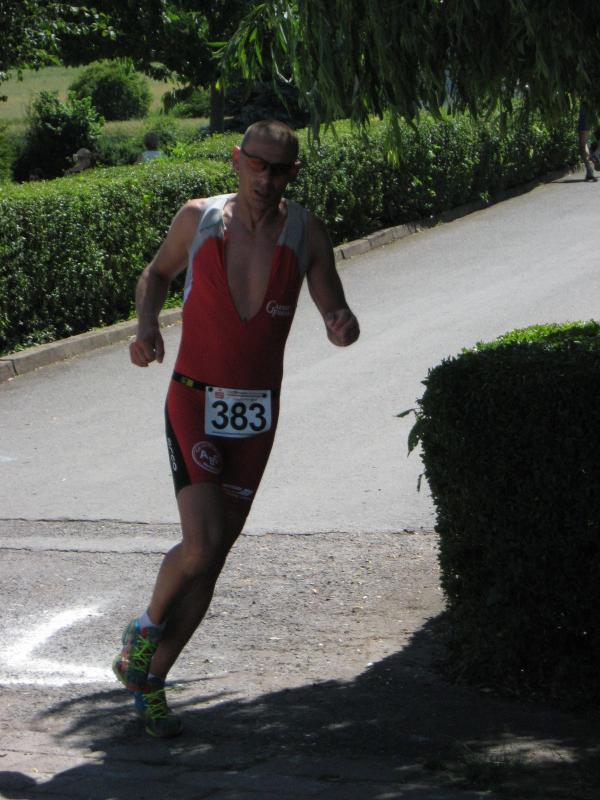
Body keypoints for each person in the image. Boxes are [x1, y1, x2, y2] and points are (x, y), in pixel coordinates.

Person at [113, 119, 360, 737]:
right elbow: (155, 275)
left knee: (213, 559)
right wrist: (147, 326)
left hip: (255, 413)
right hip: (194, 400)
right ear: (236, 159)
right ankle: (144, 628)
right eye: (257, 164)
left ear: (292, 174)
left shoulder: (306, 233)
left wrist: (343, 325)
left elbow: (335, 307)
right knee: (199, 544)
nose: (265, 178)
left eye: (279, 169)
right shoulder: (198, 219)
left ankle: (151, 682)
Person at [577, 105, 598, 182]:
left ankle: (590, 170)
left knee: (583, 144)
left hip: (585, 113)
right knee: (584, 143)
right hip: (593, 114)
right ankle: (589, 172)